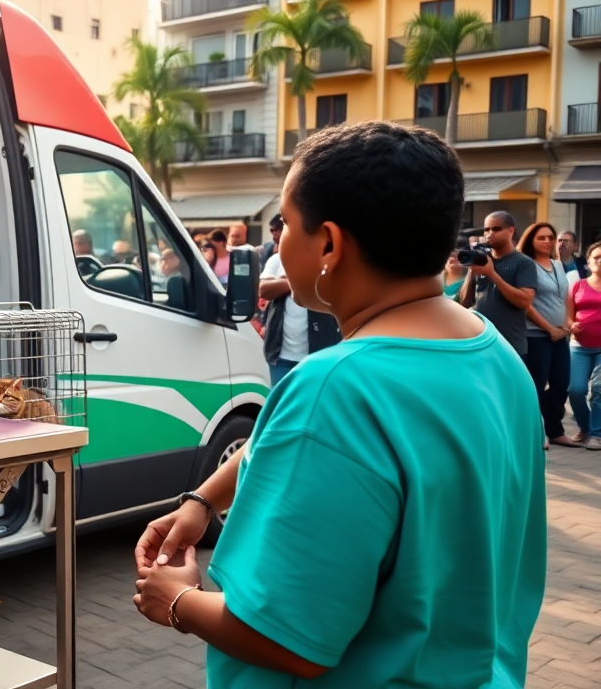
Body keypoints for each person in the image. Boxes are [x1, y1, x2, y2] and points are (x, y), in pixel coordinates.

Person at [132, 122, 545, 688]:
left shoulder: (338, 387)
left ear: (328, 243)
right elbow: (289, 439)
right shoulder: (493, 355)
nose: (276, 242)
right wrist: (202, 500)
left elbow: (290, 639)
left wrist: (176, 601)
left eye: (283, 224)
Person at [518, 222, 573, 449]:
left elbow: (565, 298)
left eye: (550, 237)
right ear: (531, 240)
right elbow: (526, 304)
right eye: (541, 237)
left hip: (560, 335)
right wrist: (548, 328)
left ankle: (555, 428)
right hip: (536, 335)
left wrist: (566, 324)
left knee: (561, 384)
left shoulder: (558, 265)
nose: (547, 241)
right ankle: (537, 431)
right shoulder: (526, 265)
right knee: (537, 385)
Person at [459, 211, 536, 357]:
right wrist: (471, 268)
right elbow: (464, 301)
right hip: (481, 341)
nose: (490, 233)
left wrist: (492, 274)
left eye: (496, 229)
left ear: (510, 231)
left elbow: (524, 301)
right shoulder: (483, 259)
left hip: (509, 345)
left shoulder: (523, 262)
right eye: (487, 229)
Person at [258, 253, 341, 386]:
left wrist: (283, 282)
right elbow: (264, 290)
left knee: (315, 403)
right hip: (280, 359)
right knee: (283, 403)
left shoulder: (326, 259)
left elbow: (330, 287)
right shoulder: (277, 260)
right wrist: (299, 281)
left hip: (319, 356)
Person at [566, 241, 601, 451]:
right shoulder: (578, 285)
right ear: (588, 262)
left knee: (598, 389)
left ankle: (596, 434)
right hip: (579, 346)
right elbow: (568, 317)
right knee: (576, 390)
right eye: (596, 257)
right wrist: (572, 326)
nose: (600, 261)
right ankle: (586, 427)